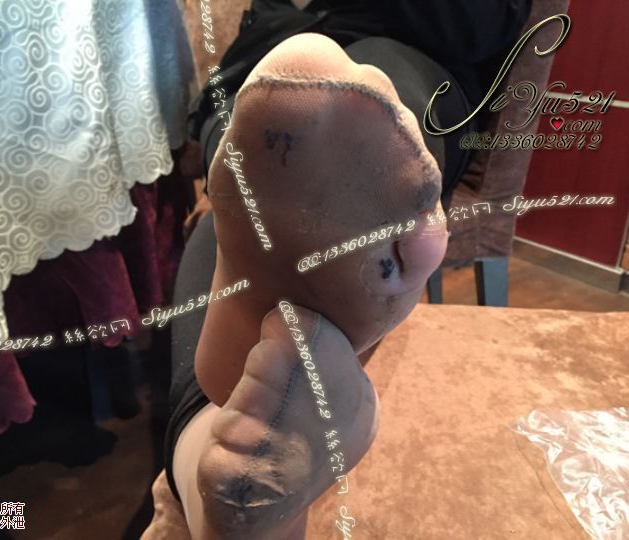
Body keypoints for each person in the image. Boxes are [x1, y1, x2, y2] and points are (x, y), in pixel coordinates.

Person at [153, 2, 531, 538]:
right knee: (254, 156)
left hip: (410, 49)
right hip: (263, 74)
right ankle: (217, 482)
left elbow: (480, 22)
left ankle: (203, 476)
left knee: (365, 92)